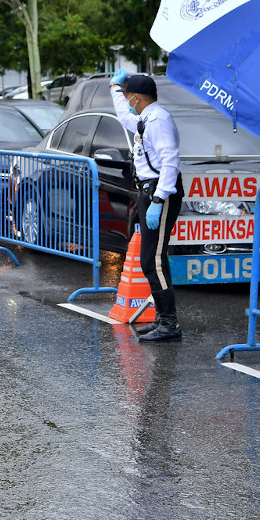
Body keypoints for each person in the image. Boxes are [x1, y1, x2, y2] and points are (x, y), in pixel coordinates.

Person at [110, 70, 184, 342]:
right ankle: (163, 320)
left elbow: (170, 161)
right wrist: (115, 88)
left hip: (158, 193)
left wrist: (158, 199)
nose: (127, 101)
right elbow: (125, 117)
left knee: (153, 261)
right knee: (150, 260)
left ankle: (169, 323)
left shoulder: (158, 120)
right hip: (149, 192)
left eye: (129, 97)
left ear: (138, 98)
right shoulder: (146, 117)